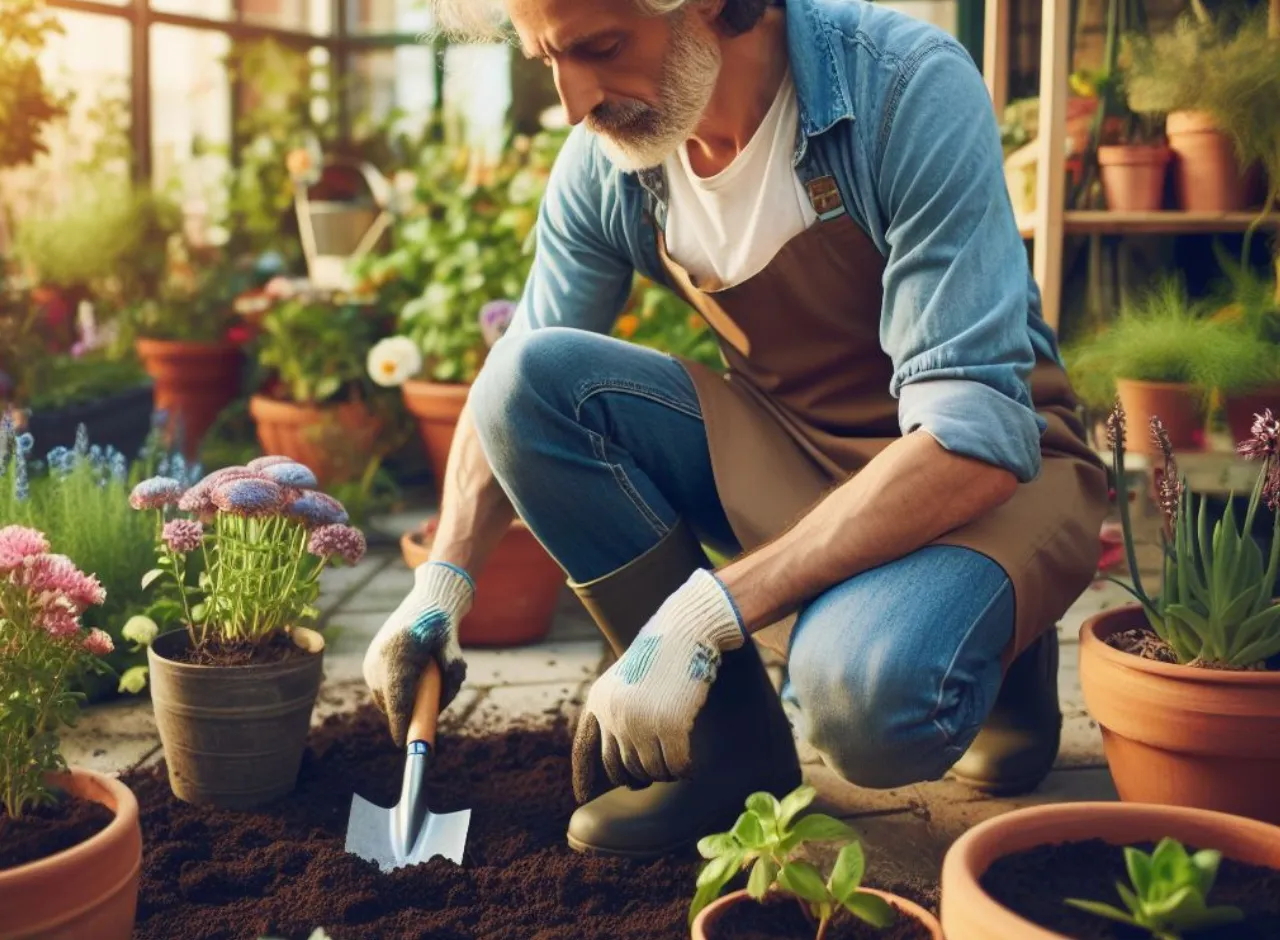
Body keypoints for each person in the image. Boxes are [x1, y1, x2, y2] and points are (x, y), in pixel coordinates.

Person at [365, 0, 1111, 859]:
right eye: (548, 60)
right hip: (790, 449)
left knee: (865, 704)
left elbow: (972, 438)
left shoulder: (904, 87)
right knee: (526, 381)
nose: (573, 102)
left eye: (602, 48)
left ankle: (1004, 652)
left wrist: (707, 615)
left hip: (987, 473)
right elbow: (519, 372)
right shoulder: (615, 160)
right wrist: (443, 583)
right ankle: (729, 757)